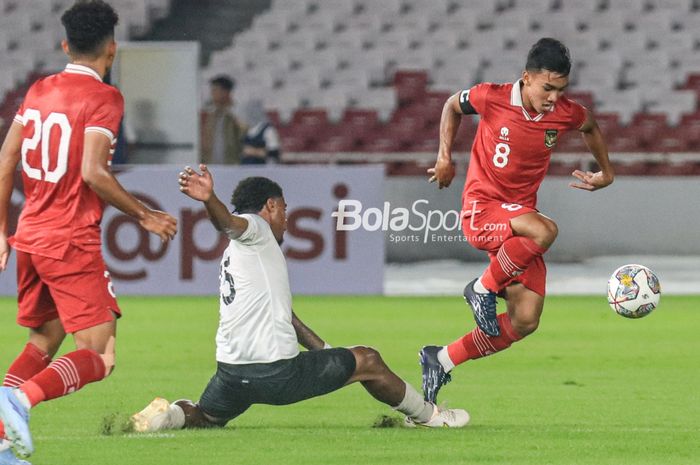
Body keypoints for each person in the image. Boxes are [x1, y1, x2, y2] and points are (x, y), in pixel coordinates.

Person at [130, 165, 469, 433]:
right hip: (276, 373)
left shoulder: (238, 255)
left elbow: (287, 317)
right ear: (271, 206)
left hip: (231, 373)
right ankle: (428, 416)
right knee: (368, 360)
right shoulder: (255, 228)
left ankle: (169, 416)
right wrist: (208, 198)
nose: (288, 221)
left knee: (204, 416)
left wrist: (324, 352)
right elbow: (229, 223)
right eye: (285, 211)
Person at [0, 1, 178, 463]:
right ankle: (17, 404)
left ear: (65, 45)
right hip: (68, 239)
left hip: (30, 237)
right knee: (100, 356)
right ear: (112, 51)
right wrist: (145, 215)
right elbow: (94, 172)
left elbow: (4, 162)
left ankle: (3, 438)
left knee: (44, 341)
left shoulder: (38, 91)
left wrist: (1, 229)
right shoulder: (104, 98)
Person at [420, 38, 614, 403]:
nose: (554, 97)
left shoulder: (564, 113)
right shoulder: (491, 96)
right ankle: (481, 289)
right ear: (527, 78)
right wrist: (445, 156)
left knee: (525, 319)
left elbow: (590, 125)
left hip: (516, 222)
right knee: (546, 229)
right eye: (548, 87)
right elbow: (451, 105)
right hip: (482, 209)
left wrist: (606, 172)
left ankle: (441, 359)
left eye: (561, 89)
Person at [201, 75, 246, 165]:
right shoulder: (212, 115)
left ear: (225, 92)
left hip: (232, 164)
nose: (212, 94)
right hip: (212, 164)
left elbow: (244, 136)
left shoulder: (237, 114)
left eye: (215, 90)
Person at [240, 99, 281, 164]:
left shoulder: (268, 130)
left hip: (262, 170)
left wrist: (254, 152)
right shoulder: (247, 130)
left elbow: (274, 153)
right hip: (246, 169)